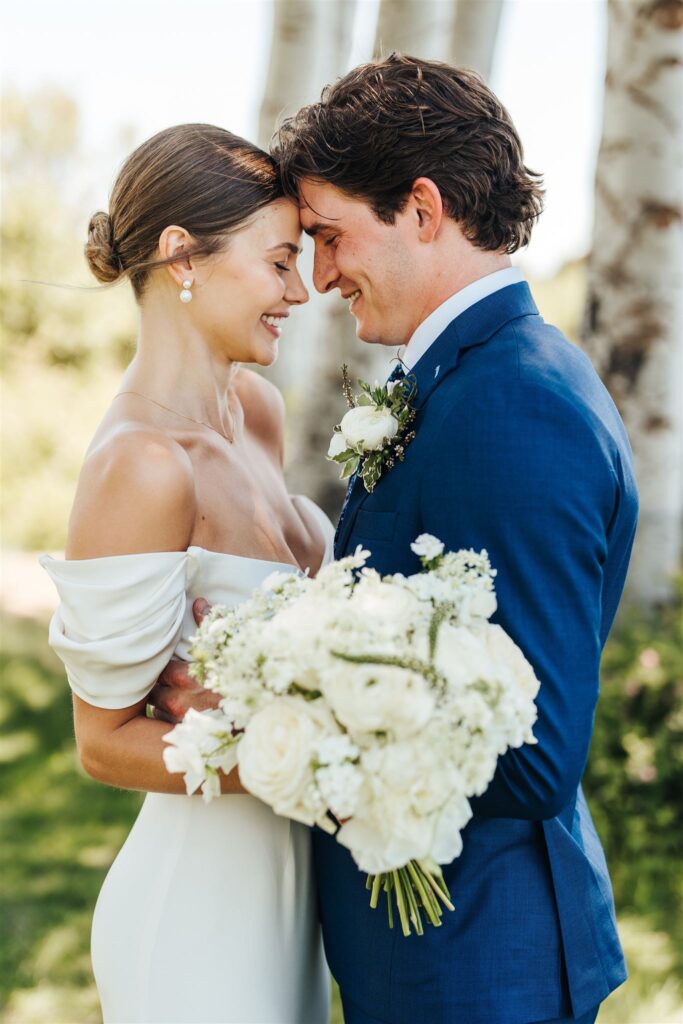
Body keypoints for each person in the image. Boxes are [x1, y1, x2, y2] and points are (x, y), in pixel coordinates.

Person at [158, 55, 638, 1024]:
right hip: (439, 955)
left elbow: (534, 755)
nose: (321, 275)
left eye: (331, 236)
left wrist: (274, 715)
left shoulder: (511, 402)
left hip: (476, 964)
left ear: (421, 209)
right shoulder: (468, 377)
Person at [41, 123, 331, 1024]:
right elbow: (102, 744)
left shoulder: (257, 413)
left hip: (293, 901)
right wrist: (318, 755)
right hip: (198, 920)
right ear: (181, 257)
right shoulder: (142, 465)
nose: (300, 290)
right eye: (279, 262)